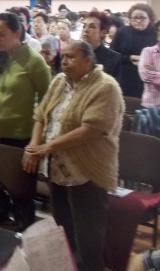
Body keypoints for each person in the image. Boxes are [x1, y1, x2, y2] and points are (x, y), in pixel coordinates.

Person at [23, 41, 123, 271]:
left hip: (87, 169)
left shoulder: (106, 87)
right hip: (57, 167)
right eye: (63, 57)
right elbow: (41, 114)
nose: (64, 62)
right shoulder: (59, 81)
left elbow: (92, 129)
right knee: (63, 227)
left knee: (89, 235)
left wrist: (48, 147)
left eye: (71, 57)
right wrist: (34, 145)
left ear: (88, 60)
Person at [0, 12, 51, 148]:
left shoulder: (35, 61)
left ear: (17, 34)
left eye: (2, 35)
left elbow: (46, 102)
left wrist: (37, 140)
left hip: (19, 135)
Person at [111, 3, 157, 98]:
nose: (138, 21)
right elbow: (112, 55)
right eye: (135, 18)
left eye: (142, 18)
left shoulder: (155, 34)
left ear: (150, 19)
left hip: (150, 80)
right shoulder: (122, 32)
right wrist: (130, 58)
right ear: (130, 19)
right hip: (125, 78)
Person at [81, 10, 121, 79]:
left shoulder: (113, 58)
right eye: (84, 26)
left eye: (92, 27)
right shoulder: (75, 54)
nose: (86, 30)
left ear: (103, 32)